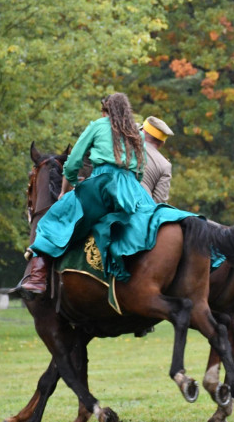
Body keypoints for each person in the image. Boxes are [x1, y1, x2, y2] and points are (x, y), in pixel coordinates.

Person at [15, 93, 154, 298]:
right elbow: (141, 169)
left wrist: (65, 191)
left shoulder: (98, 126)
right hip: (132, 189)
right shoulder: (138, 133)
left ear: (105, 110)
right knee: (151, 223)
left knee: (51, 220)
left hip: (101, 186)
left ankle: (37, 277)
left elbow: (72, 164)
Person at [140, 115, 174, 203]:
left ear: (142, 132)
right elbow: (159, 202)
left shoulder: (125, 143)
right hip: (139, 211)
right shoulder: (165, 165)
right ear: (163, 143)